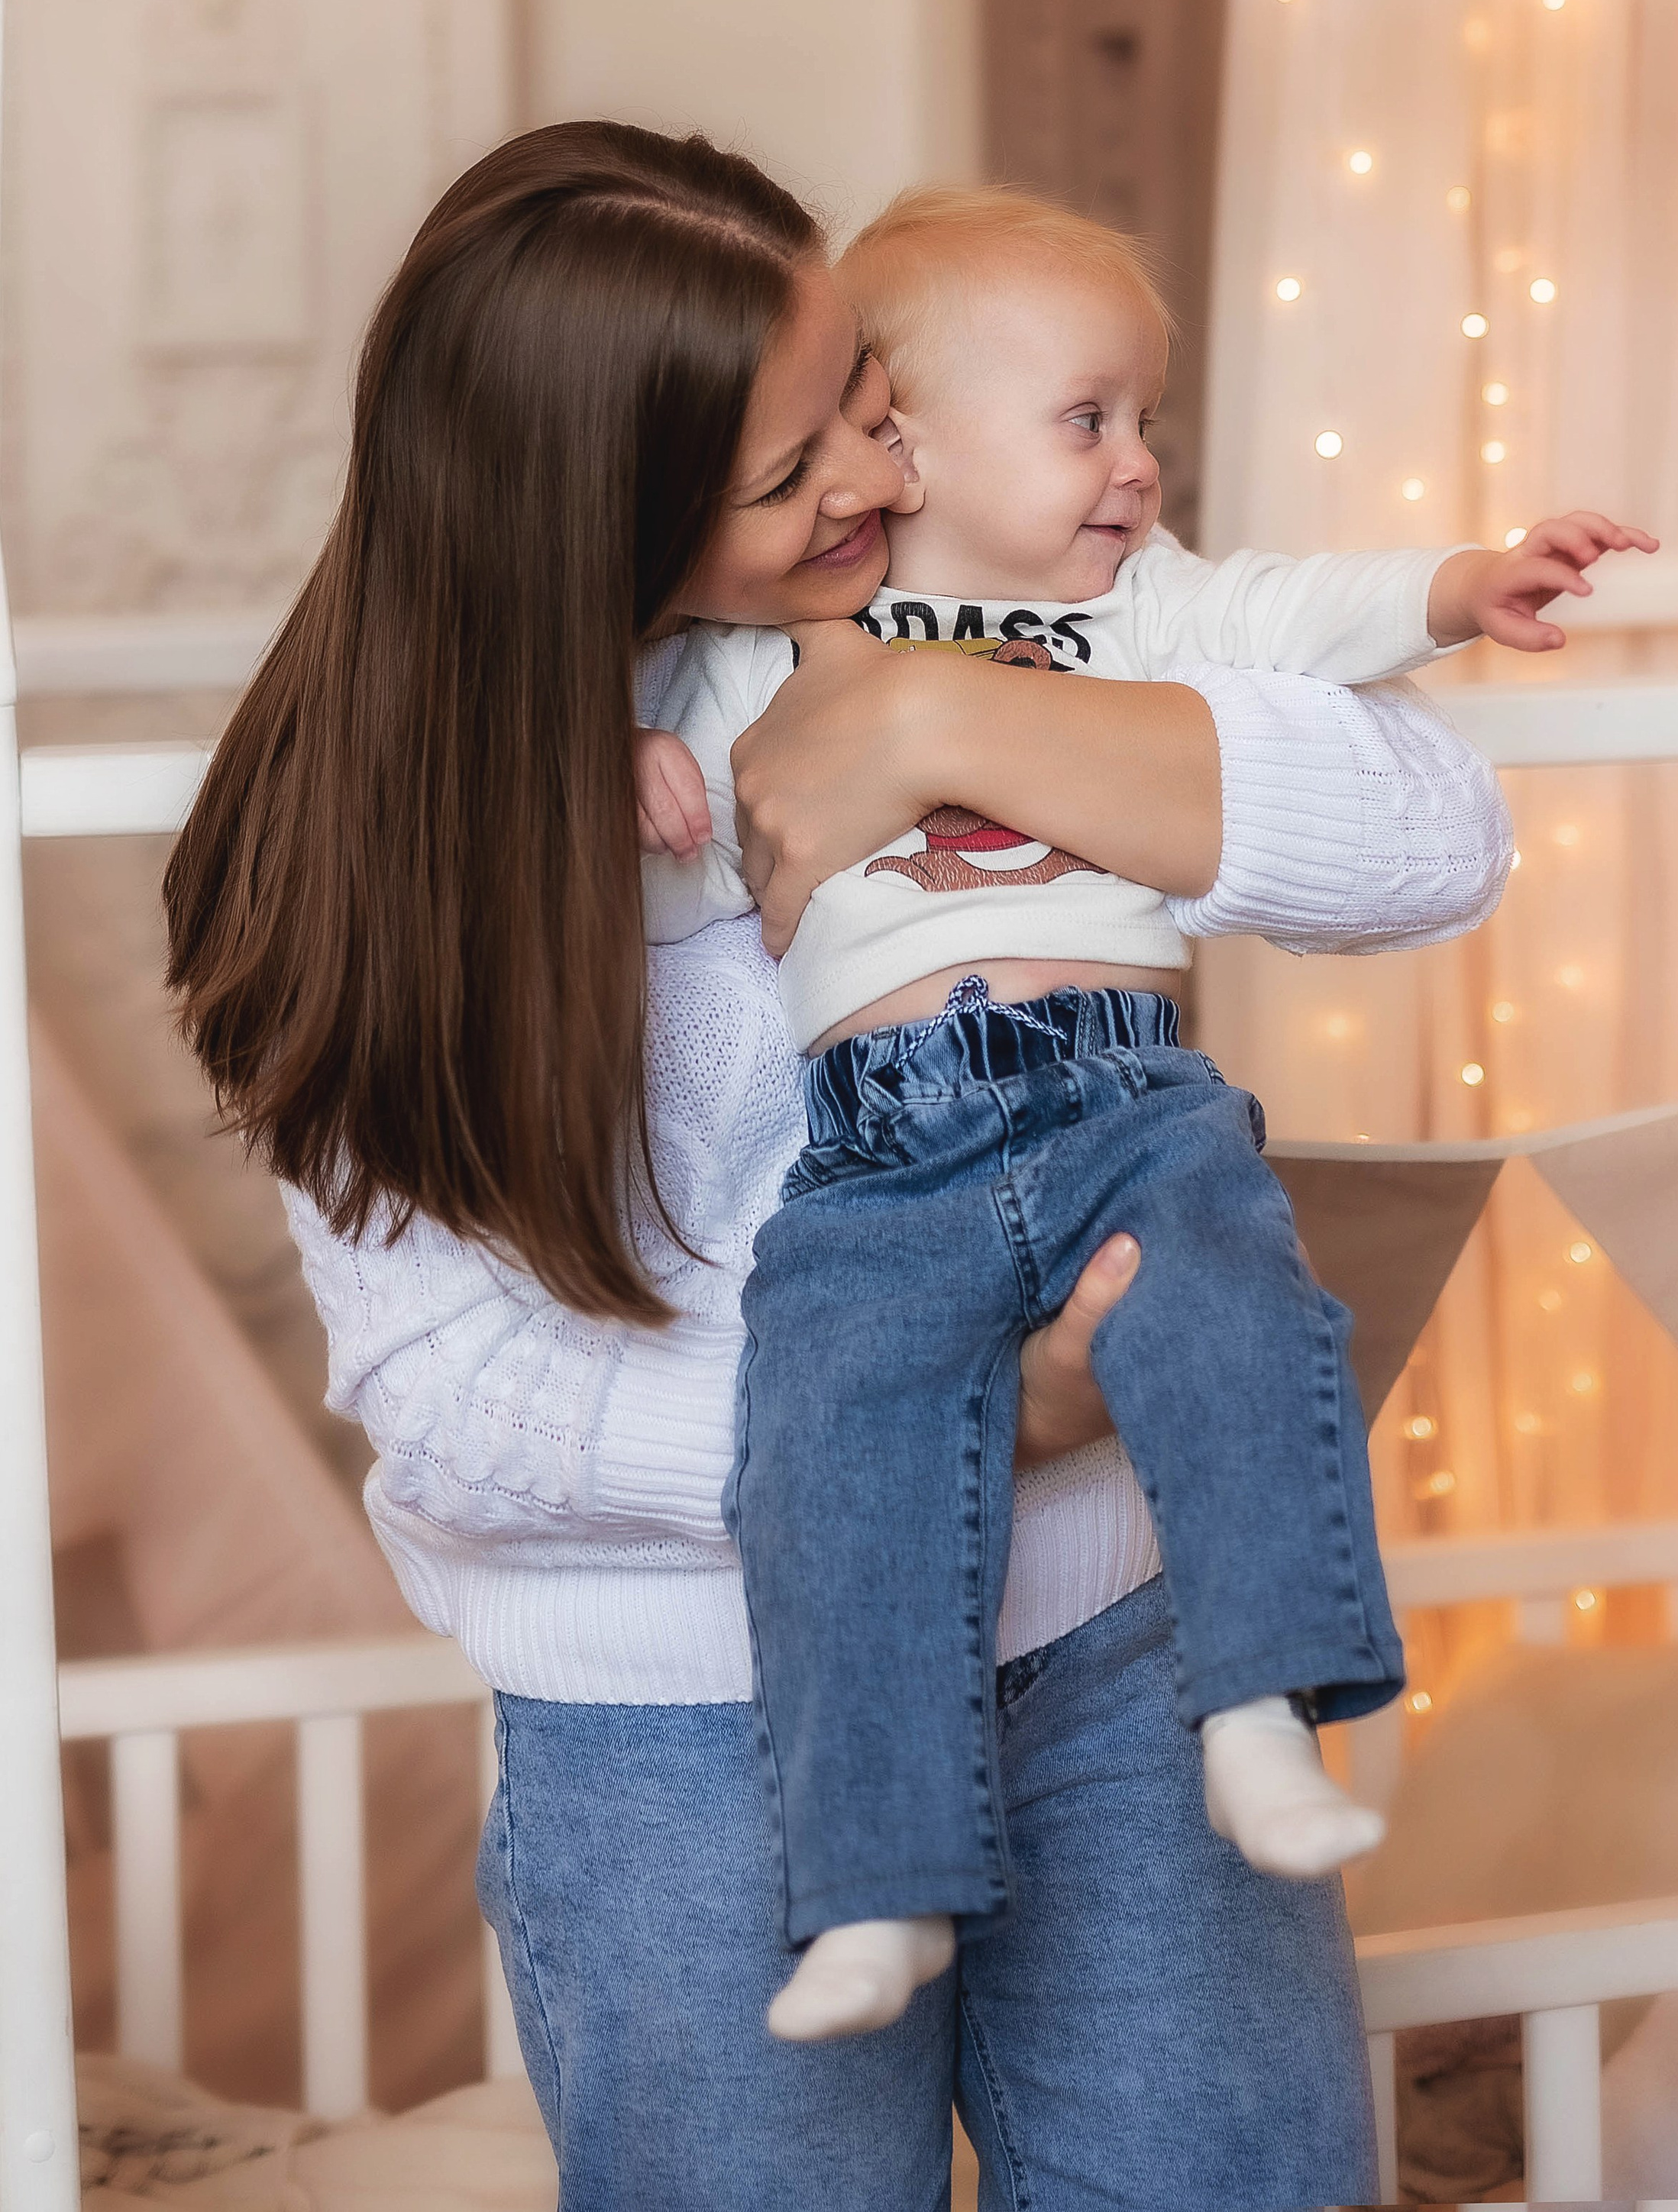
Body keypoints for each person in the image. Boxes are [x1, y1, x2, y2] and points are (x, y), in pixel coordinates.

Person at [164, 124, 1515, 2212]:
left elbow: (1433, 833)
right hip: (697, 1725)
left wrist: (948, 731)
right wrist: (984, 1421)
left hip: (1115, 1643)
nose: (879, 485)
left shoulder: (944, 605)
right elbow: (460, 1397)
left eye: (874, 407)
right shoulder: (390, 852)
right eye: (801, 467)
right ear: (596, 519)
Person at [636, 182, 1655, 2041]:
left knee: (1240, 1313)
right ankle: (877, 1883)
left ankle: (1261, 1706)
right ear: (905, 442)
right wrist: (612, 748)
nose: (1135, 463)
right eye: (1086, 418)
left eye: (1144, 419)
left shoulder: (1145, 603)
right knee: (828, 1438)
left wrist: (1457, 585)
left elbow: (1304, 611)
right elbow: (623, 840)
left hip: (1123, 1088)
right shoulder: (741, 658)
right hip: (882, 1144)